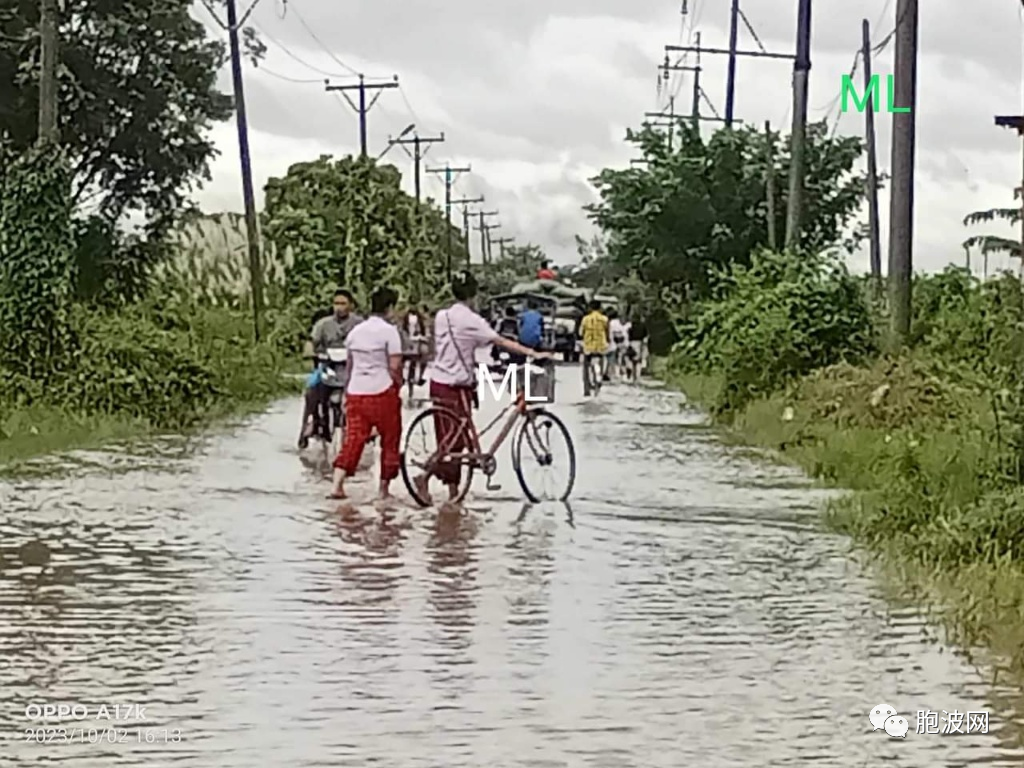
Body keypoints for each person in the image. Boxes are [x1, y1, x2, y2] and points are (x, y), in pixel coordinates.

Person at [417, 270, 551, 505]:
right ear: (474, 294)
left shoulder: (442, 316)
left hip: (439, 381)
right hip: (457, 384)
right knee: (454, 442)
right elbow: (501, 341)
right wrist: (532, 352)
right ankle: (425, 476)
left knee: (451, 438)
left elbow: (451, 346)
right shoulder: (472, 320)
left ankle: (453, 495)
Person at [329, 287, 403, 500]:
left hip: (355, 393)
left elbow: (350, 366)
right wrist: (397, 387)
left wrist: (346, 392)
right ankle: (383, 491)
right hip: (381, 392)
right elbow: (395, 366)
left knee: (353, 439)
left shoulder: (356, 332)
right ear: (389, 308)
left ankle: (337, 485)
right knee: (390, 439)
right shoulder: (390, 332)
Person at [298, 289, 362, 449]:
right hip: (327, 367)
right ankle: (307, 427)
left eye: (343, 303)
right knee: (311, 390)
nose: (339, 307)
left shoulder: (359, 324)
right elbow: (311, 341)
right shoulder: (323, 324)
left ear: (351, 305)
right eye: (336, 303)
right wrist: (309, 351)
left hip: (351, 369)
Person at [579, 299, 610, 389]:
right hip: (601, 345)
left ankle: (588, 383)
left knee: (586, 365)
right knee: (601, 361)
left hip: (588, 345)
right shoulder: (604, 319)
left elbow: (580, 332)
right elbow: (608, 332)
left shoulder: (585, 319)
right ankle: (599, 376)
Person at [608, 308, 626, 381]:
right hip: (620, 342)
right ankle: (621, 374)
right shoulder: (621, 323)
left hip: (614, 342)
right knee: (621, 358)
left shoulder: (611, 322)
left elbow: (610, 333)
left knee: (614, 359)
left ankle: (613, 374)